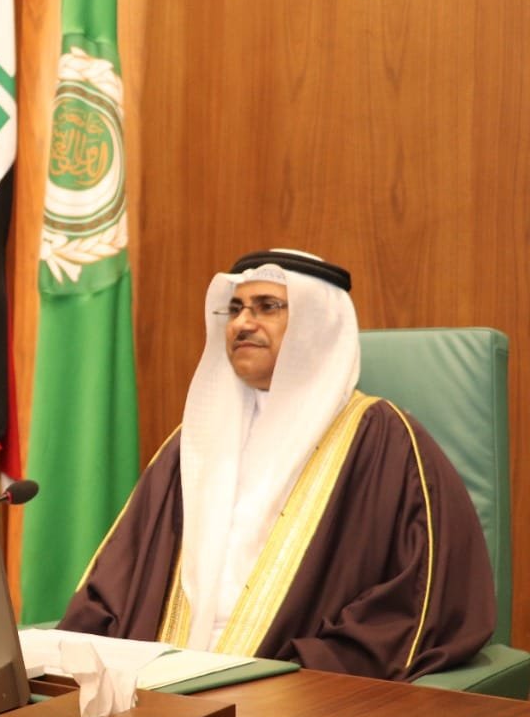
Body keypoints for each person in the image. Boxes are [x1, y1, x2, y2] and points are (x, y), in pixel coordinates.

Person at [59, 249, 495, 681]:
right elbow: (118, 579)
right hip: (165, 675)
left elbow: (418, 597)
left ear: (316, 324)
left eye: (267, 307)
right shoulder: (193, 442)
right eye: (235, 309)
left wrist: (294, 674)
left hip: (290, 686)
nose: (242, 323)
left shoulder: (382, 438)